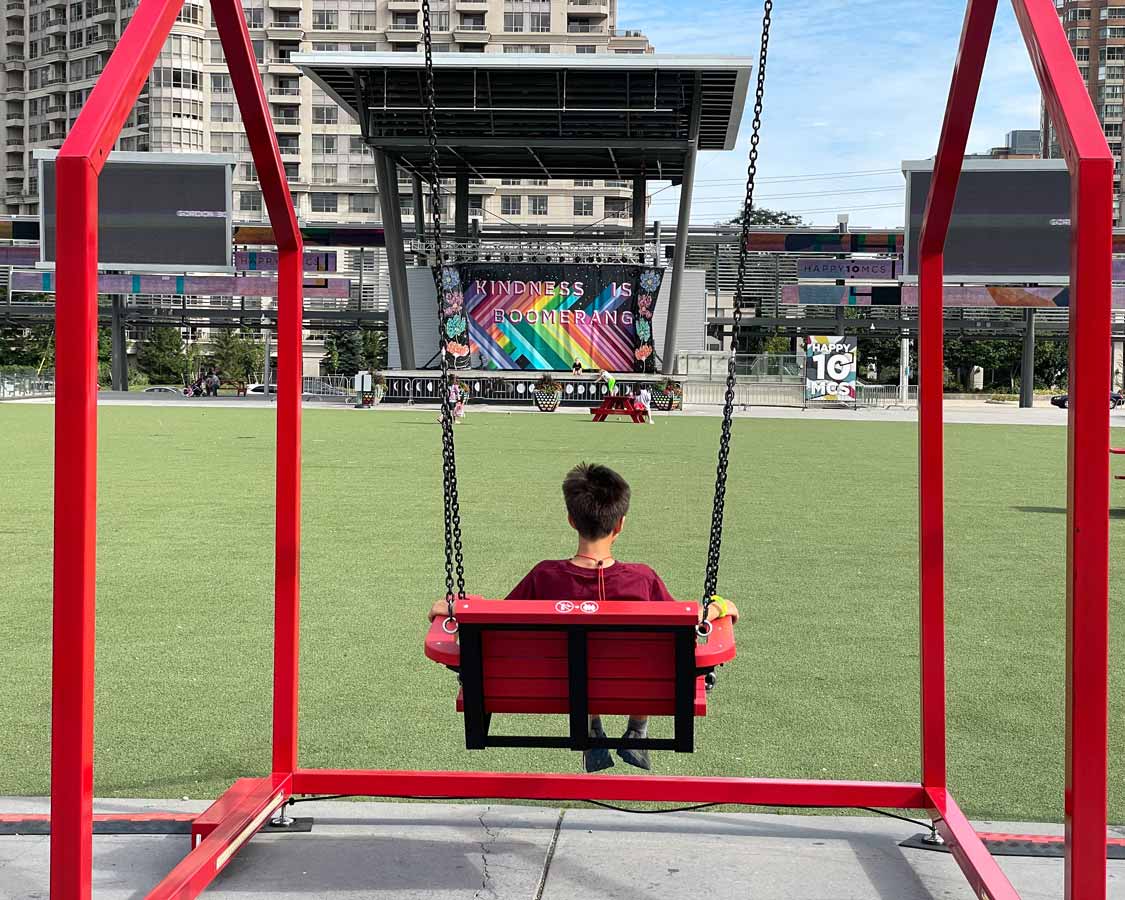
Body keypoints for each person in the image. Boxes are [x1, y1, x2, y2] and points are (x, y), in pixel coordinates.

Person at [429, 463, 739, 774]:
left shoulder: (544, 576)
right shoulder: (643, 579)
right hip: (638, 686)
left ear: (571, 520)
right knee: (646, 657)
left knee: (581, 662)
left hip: (557, 687)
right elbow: (693, 624)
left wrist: (458, 608)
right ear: (620, 525)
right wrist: (719, 608)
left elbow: (495, 622)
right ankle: (637, 729)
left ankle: (592, 729)